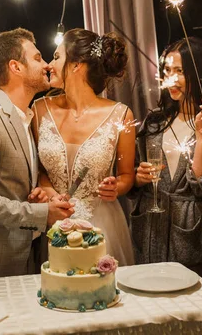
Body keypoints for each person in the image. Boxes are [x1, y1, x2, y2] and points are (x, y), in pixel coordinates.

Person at [0, 28, 75, 280]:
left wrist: (37, 197)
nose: (46, 66)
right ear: (15, 67)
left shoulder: (26, 117)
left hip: (28, 257)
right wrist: (42, 214)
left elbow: (14, 187)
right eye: (37, 58)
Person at [129, 37, 202, 285]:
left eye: (180, 71)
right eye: (167, 71)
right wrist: (138, 177)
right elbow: (131, 177)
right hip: (150, 228)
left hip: (191, 234)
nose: (172, 79)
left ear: (199, 73)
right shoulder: (154, 122)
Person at [31, 28, 135, 265]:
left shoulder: (121, 115)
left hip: (102, 225)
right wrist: (48, 191)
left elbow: (127, 176)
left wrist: (115, 187)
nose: (49, 64)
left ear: (77, 65)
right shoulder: (39, 110)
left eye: (57, 57)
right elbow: (39, 170)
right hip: (54, 222)